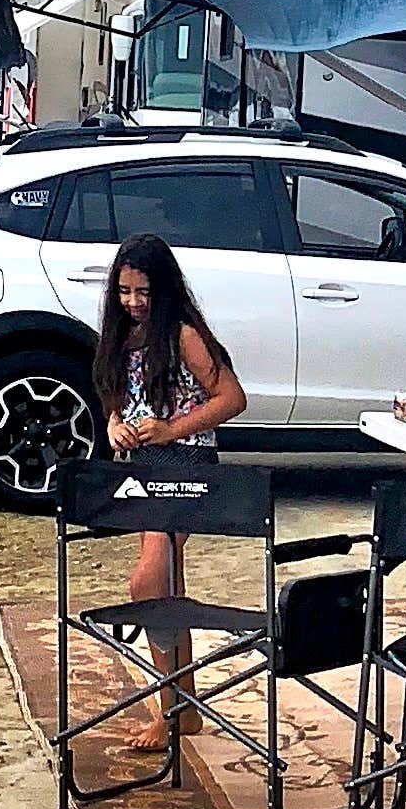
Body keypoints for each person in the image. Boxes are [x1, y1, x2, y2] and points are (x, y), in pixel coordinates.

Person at [94, 243, 253, 617]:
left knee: (148, 583)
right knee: (167, 585)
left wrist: (170, 429)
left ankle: (164, 677)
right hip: (144, 461)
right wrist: (114, 425)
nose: (133, 301)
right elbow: (117, 394)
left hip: (186, 460)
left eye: (144, 292)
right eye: (124, 291)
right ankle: (176, 677)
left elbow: (232, 398)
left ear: (163, 290)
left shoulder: (183, 335)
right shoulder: (122, 335)